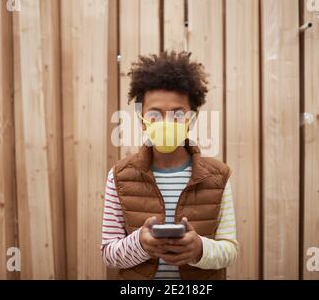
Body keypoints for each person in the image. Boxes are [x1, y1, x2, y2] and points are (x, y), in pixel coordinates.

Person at [100, 51, 238, 280]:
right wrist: (141, 244)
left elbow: (230, 251)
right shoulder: (119, 177)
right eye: (154, 115)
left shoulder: (219, 177)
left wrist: (200, 250)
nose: (166, 123)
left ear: (191, 118)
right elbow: (108, 254)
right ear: (141, 118)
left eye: (177, 114)